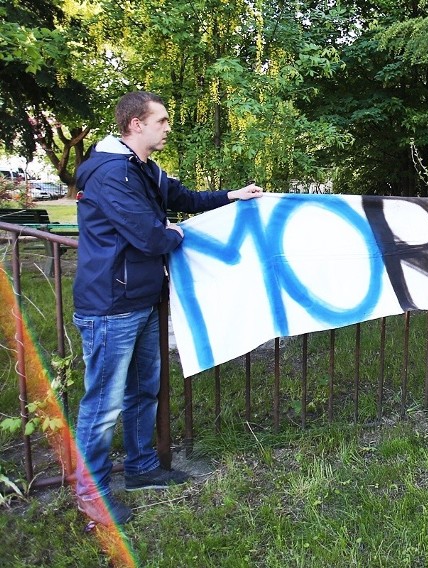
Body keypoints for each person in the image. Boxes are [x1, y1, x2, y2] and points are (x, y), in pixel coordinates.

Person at [72, 91, 263, 526]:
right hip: (110, 306)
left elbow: (184, 198)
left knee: (143, 392)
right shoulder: (111, 173)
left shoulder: (142, 169)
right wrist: (172, 234)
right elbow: (151, 237)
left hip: (139, 299)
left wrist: (234, 195)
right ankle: (91, 496)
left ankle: (141, 470)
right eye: (161, 121)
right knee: (101, 406)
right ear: (136, 124)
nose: (167, 127)